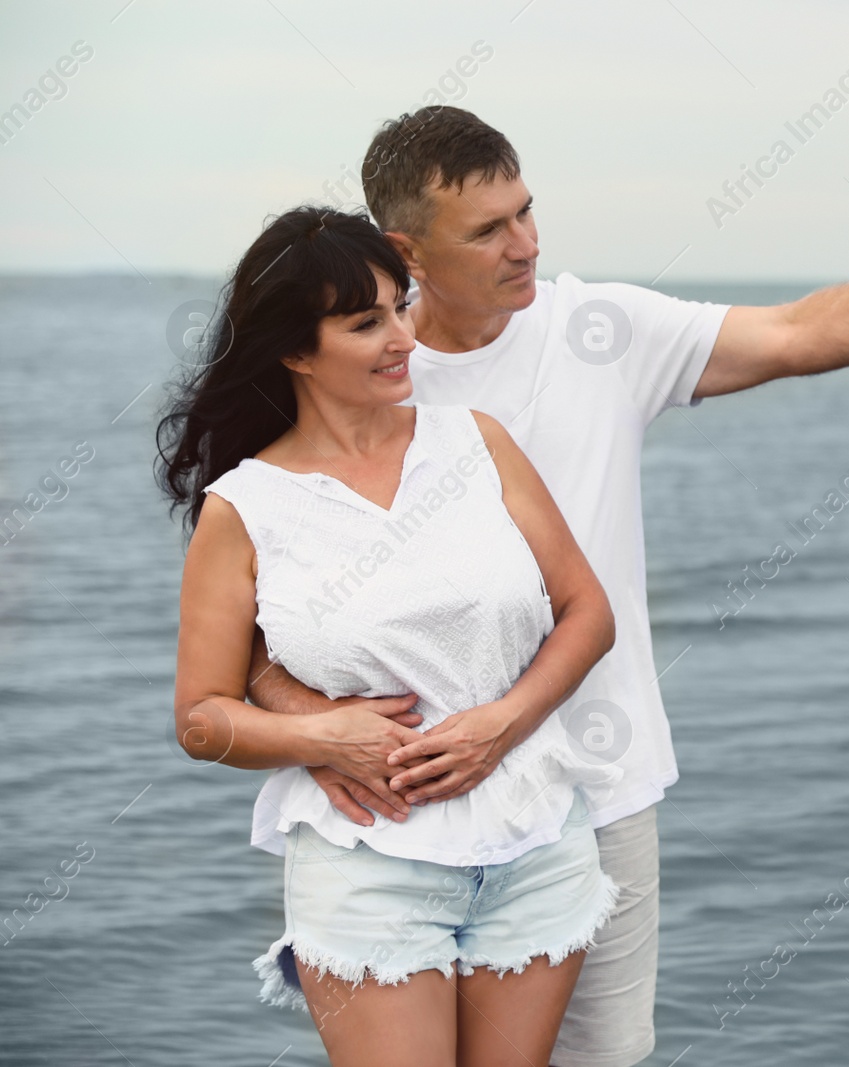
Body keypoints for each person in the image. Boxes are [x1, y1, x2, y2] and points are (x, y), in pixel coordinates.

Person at [246, 105, 849, 1067]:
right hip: (390, 817)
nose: (527, 244)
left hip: (595, 789)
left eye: (526, 211)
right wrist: (317, 729)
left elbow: (798, 334)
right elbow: (253, 617)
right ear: (406, 249)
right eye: (488, 229)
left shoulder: (600, 330)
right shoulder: (354, 373)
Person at [158, 207, 623, 1067]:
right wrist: (320, 734)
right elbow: (200, 715)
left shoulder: (476, 442)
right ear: (296, 350)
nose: (403, 336)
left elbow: (588, 611)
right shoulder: (245, 508)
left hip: (537, 841)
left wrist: (503, 723)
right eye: (366, 321)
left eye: (400, 307)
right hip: (370, 865)